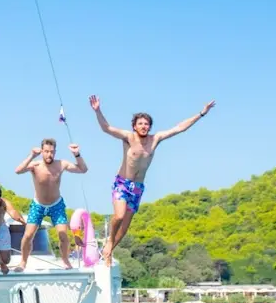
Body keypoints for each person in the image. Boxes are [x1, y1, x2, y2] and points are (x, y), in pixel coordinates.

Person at [89, 94, 215, 265]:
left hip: (138, 188)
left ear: (150, 126)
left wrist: (201, 113)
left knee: (125, 228)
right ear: (134, 126)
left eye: (146, 124)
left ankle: (109, 250)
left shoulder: (155, 139)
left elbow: (179, 128)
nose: (143, 126)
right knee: (118, 217)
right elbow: (107, 128)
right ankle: (109, 242)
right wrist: (98, 111)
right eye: (140, 123)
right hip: (122, 184)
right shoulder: (128, 137)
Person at [14, 139, 88, 270]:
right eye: (46, 151)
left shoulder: (61, 164)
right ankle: (23, 262)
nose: (49, 155)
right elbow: (18, 171)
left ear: (55, 152)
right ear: (42, 151)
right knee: (28, 235)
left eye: (52, 152)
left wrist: (77, 154)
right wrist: (31, 155)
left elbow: (83, 169)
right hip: (38, 205)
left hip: (56, 205)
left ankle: (66, 261)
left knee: (63, 235)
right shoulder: (35, 165)